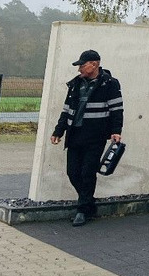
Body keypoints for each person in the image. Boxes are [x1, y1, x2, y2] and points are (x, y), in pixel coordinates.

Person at [50, 49, 124, 226]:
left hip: (95, 136)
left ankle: (82, 210)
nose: (79, 70)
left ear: (94, 64)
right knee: (73, 172)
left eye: (82, 65)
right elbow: (66, 110)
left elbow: (117, 110)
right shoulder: (75, 84)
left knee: (87, 173)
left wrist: (116, 130)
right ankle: (89, 204)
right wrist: (58, 131)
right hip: (74, 135)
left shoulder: (110, 84)